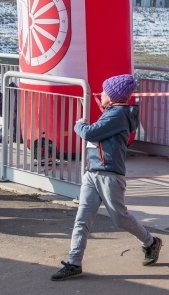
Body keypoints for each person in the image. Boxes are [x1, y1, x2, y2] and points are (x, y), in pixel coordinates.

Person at [51, 74, 162, 281]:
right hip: (93, 173)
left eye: (104, 91)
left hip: (110, 174)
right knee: (82, 218)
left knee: (120, 218)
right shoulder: (112, 112)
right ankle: (74, 263)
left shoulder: (118, 115)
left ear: (112, 97)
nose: (101, 94)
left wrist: (79, 125)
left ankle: (151, 242)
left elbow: (91, 133)